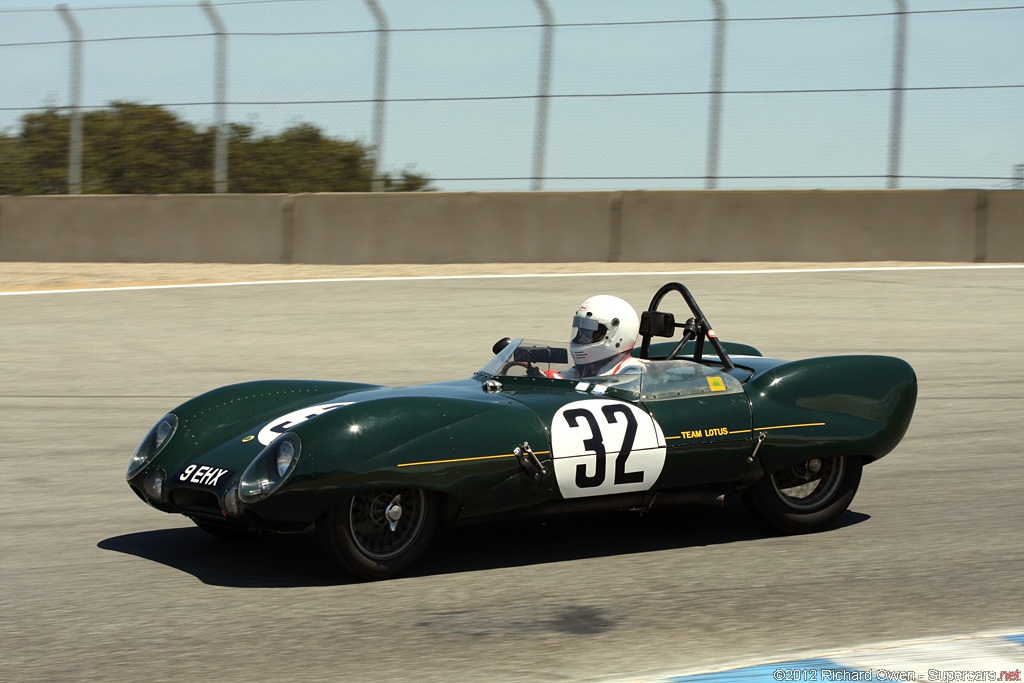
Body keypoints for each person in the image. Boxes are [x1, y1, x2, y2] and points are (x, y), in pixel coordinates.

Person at [547, 294, 645, 379]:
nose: (581, 339)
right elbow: (566, 377)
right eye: (581, 332)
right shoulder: (588, 367)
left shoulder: (632, 370)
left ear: (616, 336)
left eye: (591, 333)